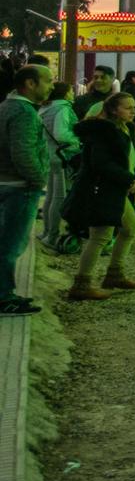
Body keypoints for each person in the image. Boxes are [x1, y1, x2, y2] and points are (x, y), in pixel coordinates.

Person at [66, 92, 135, 301]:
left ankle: (114, 274)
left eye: (133, 107)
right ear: (113, 110)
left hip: (118, 188)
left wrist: (130, 181)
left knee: (130, 229)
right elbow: (101, 163)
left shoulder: (127, 129)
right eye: (127, 107)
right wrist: (127, 179)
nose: (133, 111)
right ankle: (81, 284)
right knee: (100, 235)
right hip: (102, 189)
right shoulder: (103, 132)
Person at [0, 64, 54, 315]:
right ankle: (4, 296)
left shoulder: (6, 106)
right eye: (47, 81)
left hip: (8, 183)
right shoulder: (23, 112)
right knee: (11, 244)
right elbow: (23, 152)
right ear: (30, 84)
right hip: (19, 187)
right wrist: (37, 178)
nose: (51, 86)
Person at [36, 81, 81, 253]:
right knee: (59, 197)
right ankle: (53, 236)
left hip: (48, 154)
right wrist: (76, 140)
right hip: (61, 155)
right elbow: (61, 133)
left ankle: (46, 231)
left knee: (50, 195)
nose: (72, 94)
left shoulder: (44, 108)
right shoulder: (62, 108)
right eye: (70, 91)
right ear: (64, 93)